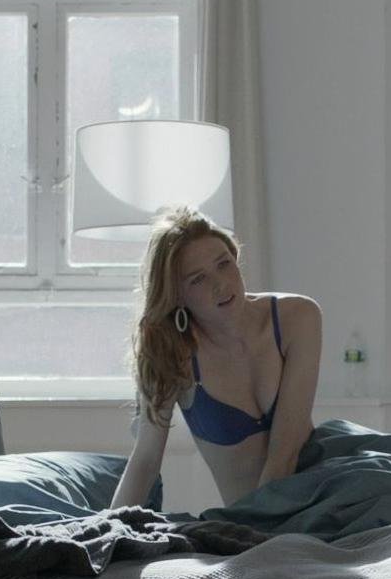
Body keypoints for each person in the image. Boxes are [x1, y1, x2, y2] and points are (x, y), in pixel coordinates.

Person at [109, 206, 323, 509]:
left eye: (223, 264)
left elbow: (286, 451)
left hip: (320, 503)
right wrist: (107, 529)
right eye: (198, 279)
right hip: (252, 522)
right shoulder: (171, 352)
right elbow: (145, 461)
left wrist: (266, 527)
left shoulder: (297, 317)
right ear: (177, 294)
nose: (221, 284)